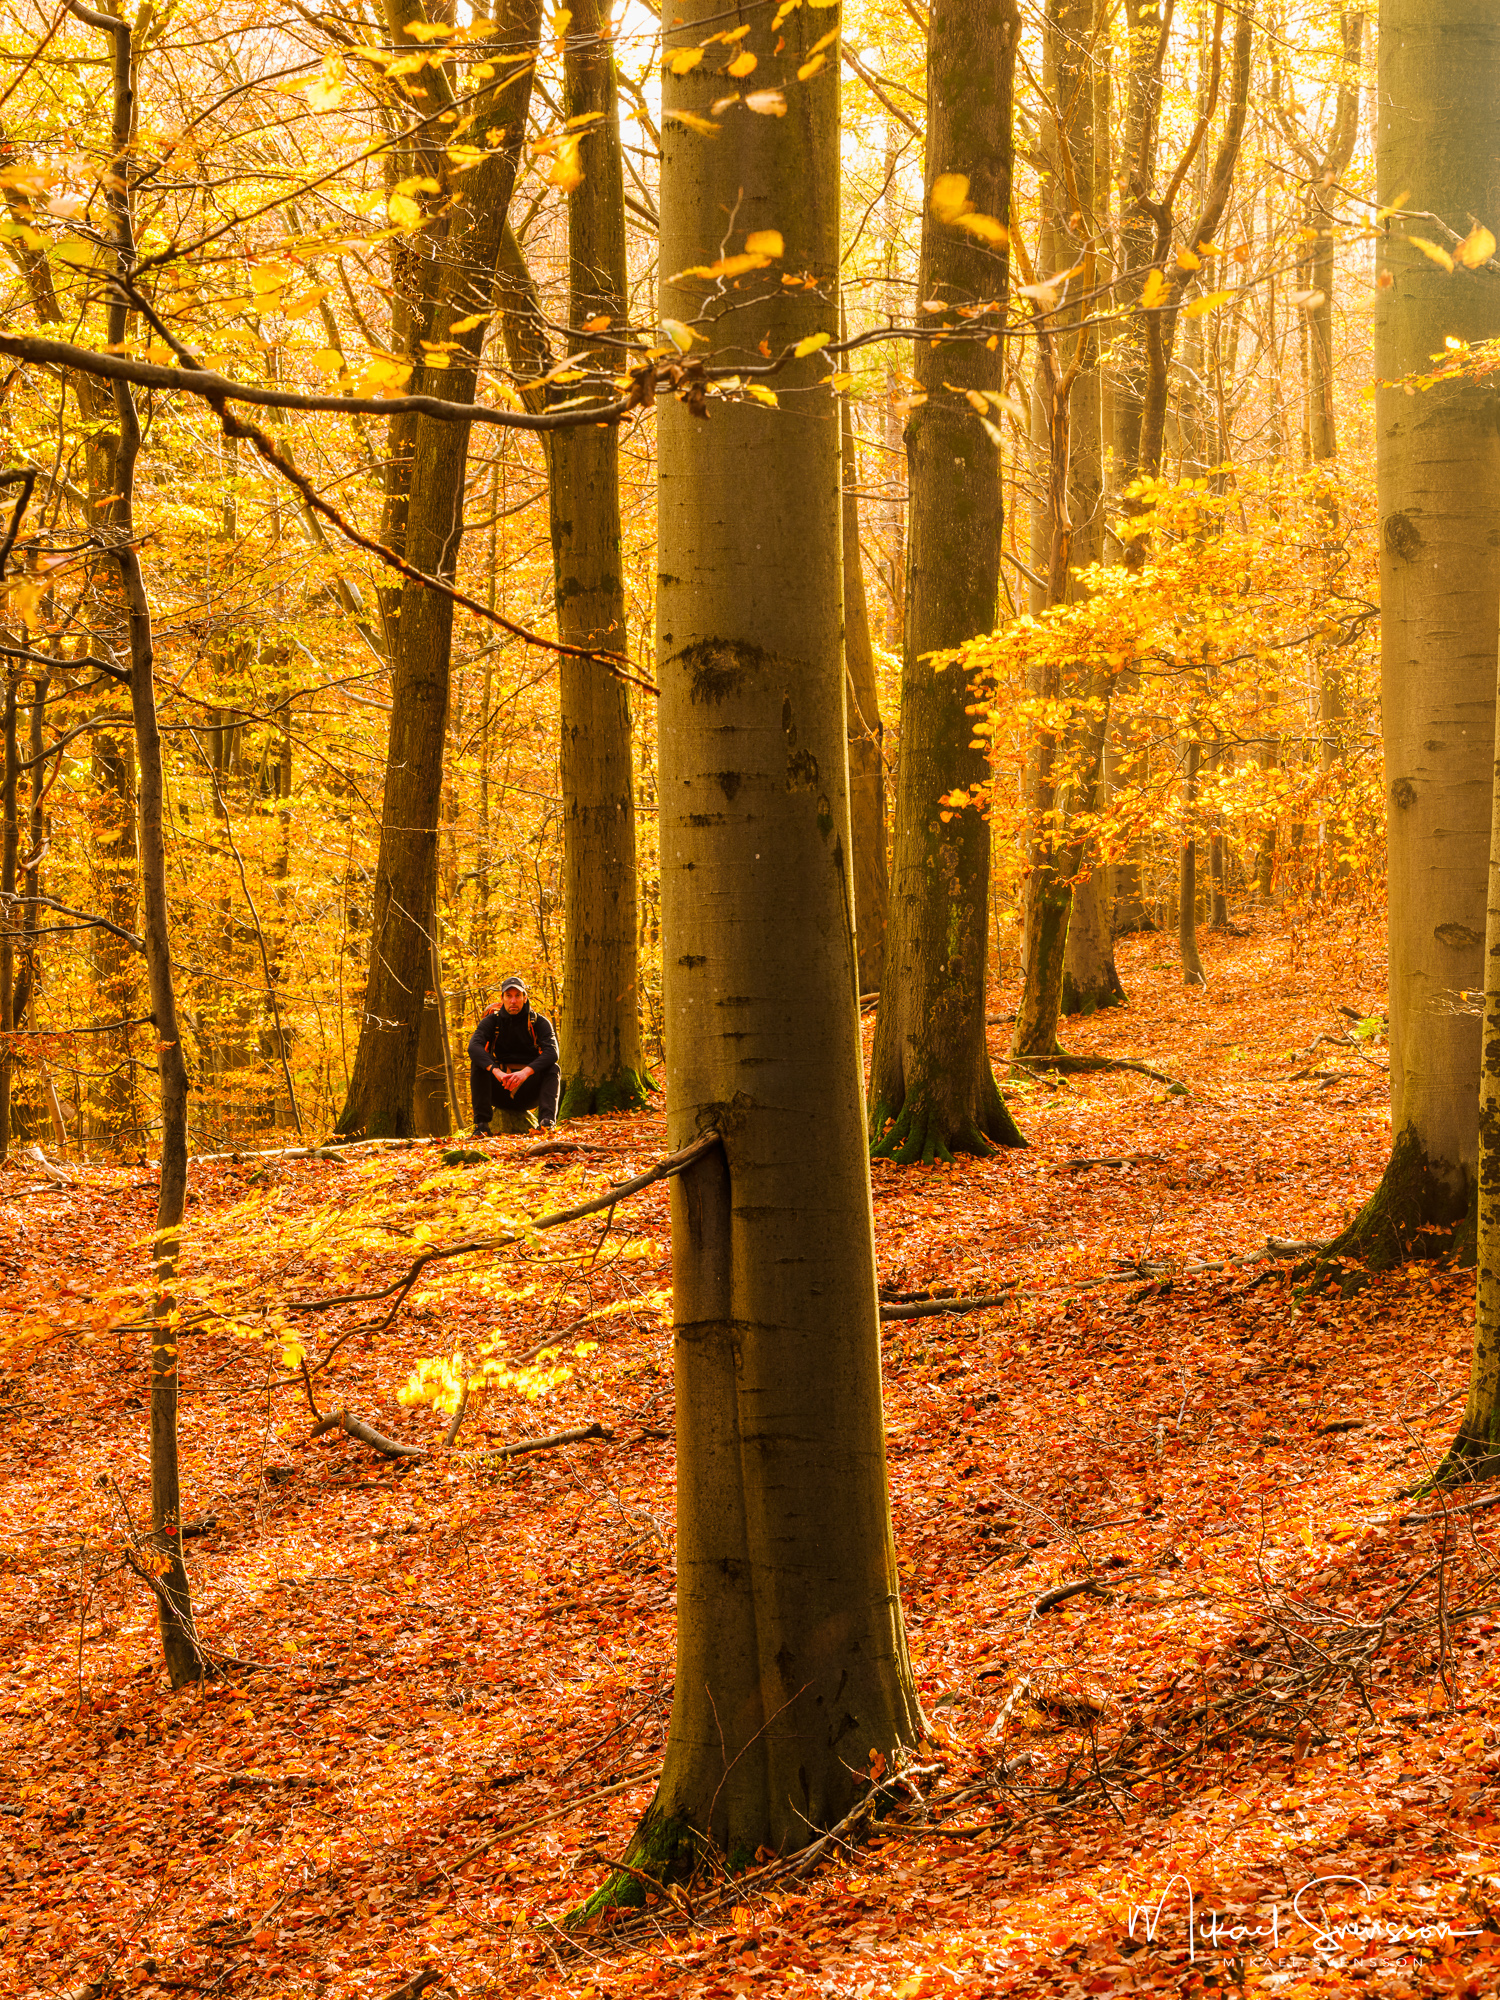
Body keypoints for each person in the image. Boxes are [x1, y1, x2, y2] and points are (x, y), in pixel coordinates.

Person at [468, 976, 560, 1135]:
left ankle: (547, 1123)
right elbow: (473, 1047)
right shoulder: (492, 1021)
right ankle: (481, 1126)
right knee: (478, 1065)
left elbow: (552, 1052)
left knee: (553, 1068)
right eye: (508, 996)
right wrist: (497, 1072)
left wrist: (525, 1073)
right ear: (502, 998)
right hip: (500, 1088)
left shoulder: (539, 1022)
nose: (513, 1001)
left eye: (517, 995)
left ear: (525, 997)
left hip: (529, 1091)